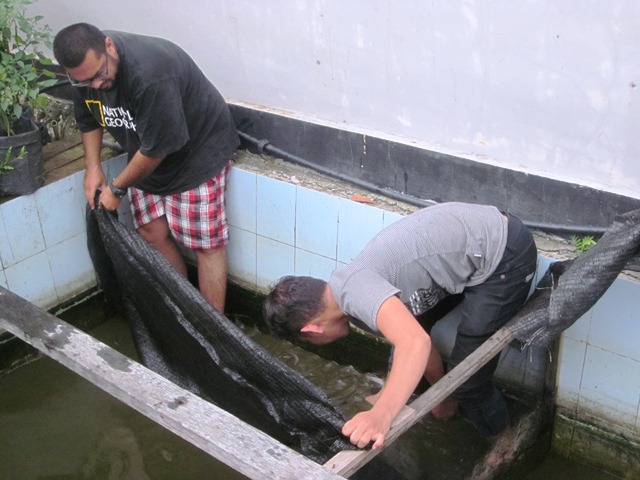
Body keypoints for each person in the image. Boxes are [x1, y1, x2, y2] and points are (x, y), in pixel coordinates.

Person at [263, 202, 537, 460]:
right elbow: (417, 333)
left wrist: (380, 415)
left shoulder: (356, 292)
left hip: (505, 253)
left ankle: (504, 443)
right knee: (410, 350)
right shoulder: (346, 294)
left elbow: (415, 343)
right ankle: (449, 399)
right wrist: (442, 397)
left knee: (468, 381)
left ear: (312, 330)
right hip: (473, 245)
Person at [53, 23, 239, 312]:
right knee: (151, 231)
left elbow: (156, 150)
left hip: (197, 152)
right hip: (145, 150)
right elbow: (88, 118)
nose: (97, 85)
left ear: (109, 46)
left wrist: (116, 188)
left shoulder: (151, 73)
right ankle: (185, 309)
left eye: (101, 74)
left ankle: (213, 324)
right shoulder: (84, 75)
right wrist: (93, 167)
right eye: (86, 82)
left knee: (205, 244)